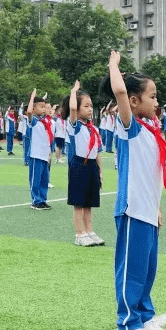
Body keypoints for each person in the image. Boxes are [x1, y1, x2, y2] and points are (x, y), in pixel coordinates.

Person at [108, 52, 166, 330]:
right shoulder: (129, 127)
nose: (157, 102)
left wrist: (157, 208)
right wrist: (114, 64)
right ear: (134, 102)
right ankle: (127, 321)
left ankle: (145, 315)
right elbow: (119, 90)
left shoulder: (151, 130)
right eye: (152, 96)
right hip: (132, 209)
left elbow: (153, 175)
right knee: (131, 268)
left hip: (148, 210)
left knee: (147, 269)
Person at [65, 81, 103, 247]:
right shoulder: (74, 126)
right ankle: (79, 234)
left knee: (89, 202)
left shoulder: (92, 128)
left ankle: (89, 231)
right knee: (79, 203)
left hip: (92, 166)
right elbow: (72, 108)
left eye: (91, 106)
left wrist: (100, 171)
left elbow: (98, 151)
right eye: (86, 106)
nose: (90, 109)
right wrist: (74, 91)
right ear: (78, 109)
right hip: (79, 165)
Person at [26, 89, 53, 210]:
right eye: (41, 107)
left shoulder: (45, 121)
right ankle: (35, 201)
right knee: (35, 179)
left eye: (44, 107)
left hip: (45, 155)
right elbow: (28, 112)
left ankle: (42, 199)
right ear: (33, 108)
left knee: (44, 179)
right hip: (36, 155)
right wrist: (32, 98)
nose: (43, 109)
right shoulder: (34, 121)